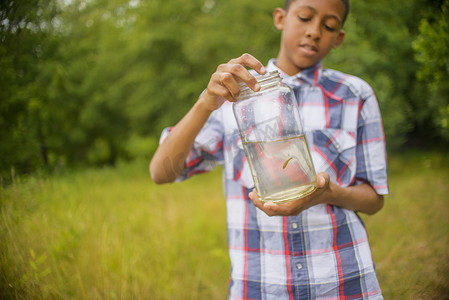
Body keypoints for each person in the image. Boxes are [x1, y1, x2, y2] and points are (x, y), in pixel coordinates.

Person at [150, 0, 389, 298]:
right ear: (280, 18)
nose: (314, 32)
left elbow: (374, 199)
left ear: (339, 37)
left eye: (328, 26)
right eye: (304, 17)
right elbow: (162, 172)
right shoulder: (233, 97)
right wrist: (205, 104)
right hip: (262, 286)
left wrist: (330, 194)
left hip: (343, 281)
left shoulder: (354, 95)